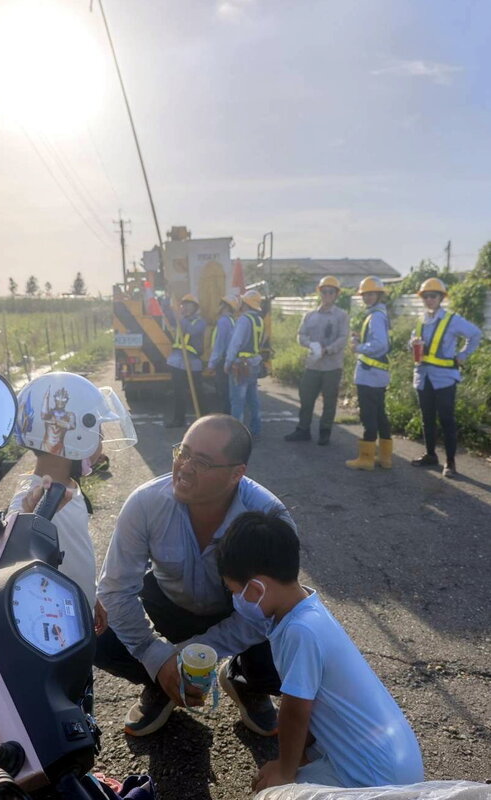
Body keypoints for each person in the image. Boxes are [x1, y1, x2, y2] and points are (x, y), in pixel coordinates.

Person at [95, 414, 295, 737]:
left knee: (294, 632)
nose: (184, 467)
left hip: (238, 615)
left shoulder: (268, 518)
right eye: (183, 453)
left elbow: (265, 611)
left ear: (236, 474)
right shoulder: (145, 504)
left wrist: (192, 652)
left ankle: (246, 680)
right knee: (92, 631)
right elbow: (115, 591)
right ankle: (161, 682)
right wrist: (157, 657)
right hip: (170, 609)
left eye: (201, 461)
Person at [216, 511, 425, 791]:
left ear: (256, 588)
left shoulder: (299, 631)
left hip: (377, 777)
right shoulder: (306, 610)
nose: (235, 600)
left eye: (235, 591)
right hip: (391, 758)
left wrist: (285, 771)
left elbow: (296, 711)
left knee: (271, 793)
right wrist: (298, 758)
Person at [10, 372, 137, 624]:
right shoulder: (31, 501)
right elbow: (10, 559)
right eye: (99, 433)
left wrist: (91, 597)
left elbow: (76, 554)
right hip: (58, 622)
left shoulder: (68, 487)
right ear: (75, 436)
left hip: (79, 606)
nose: (102, 444)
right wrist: (26, 519)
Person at [410, 278, 482, 478]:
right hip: (423, 377)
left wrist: (463, 356)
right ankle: (431, 455)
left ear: (441, 297)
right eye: (426, 296)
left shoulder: (452, 320)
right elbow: (412, 341)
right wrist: (413, 343)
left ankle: (450, 463)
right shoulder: (420, 320)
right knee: (427, 418)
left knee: (447, 419)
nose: (429, 299)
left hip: (445, 378)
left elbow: (475, 334)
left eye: (433, 296)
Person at [284, 276, 349, 446]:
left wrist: (328, 349)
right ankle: (303, 429)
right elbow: (301, 335)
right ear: (319, 293)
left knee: (329, 401)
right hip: (312, 365)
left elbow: (343, 338)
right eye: (324, 291)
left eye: (331, 292)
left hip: (332, 366)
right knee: (306, 398)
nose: (327, 294)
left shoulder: (341, 316)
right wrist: (311, 345)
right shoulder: (310, 315)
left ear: (336, 295)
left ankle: (324, 432)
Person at [346, 276, 393, 470]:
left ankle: (366, 459)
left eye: (371, 294)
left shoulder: (376, 316)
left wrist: (358, 347)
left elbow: (380, 345)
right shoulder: (379, 314)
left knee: (369, 416)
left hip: (370, 376)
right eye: (365, 294)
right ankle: (385, 458)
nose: (367, 297)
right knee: (380, 415)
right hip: (377, 375)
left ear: (379, 295)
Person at [224, 290, 265, 437]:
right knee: (253, 399)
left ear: (245, 304)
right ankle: (256, 430)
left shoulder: (244, 320)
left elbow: (235, 342)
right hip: (254, 364)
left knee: (237, 401)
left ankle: (237, 435)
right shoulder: (259, 320)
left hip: (241, 365)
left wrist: (228, 362)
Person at [164, 294, 207, 428]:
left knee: (198, 392)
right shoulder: (180, 320)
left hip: (192, 363)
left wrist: (180, 317)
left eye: (189, 305)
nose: (185, 307)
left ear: (195, 307)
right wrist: (168, 305)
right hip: (177, 361)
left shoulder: (199, 322)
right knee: (179, 393)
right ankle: (179, 420)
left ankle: (205, 419)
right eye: (184, 305)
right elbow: (169, 316)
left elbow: (191, 330)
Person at [207, 295, 239, 414]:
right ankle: (230, 415)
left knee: (224, 390)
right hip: (230, 359)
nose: (219, 307)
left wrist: (212, 363)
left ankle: (227, 417)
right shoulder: (232, 320)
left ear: (225, 306)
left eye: (221, 304)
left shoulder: (223, 321)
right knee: (230, 391)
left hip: (223, 360)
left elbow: (219, 345)